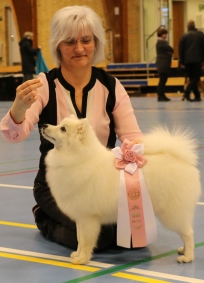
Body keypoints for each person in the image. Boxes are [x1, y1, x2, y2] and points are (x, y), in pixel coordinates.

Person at [0, 6, 143, 252]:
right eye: (69, 42)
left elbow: (133, 137)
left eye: (86, 40)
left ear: (95, 43)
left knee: (132, 237)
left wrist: (137, 156)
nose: (79, 48)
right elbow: (15, 135)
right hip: (57, 184)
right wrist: (19, 108)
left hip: (101, 183)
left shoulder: (112, 86)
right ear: (57, 45)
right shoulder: (44, 84)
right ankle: (44, 216)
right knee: (96, 238)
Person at [179, 20, 204, 101]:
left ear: (187, 27)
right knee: (196, 78)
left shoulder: (184, 36)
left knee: (192, 78)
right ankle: (187, 93)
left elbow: (181, 50)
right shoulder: (200, 35)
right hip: (198, 60)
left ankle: (197, 96)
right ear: (194, 25)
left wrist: (182, 62)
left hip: (187, 61)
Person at [155, 27, 174, 102]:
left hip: (163, 63)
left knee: (163, 80)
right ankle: (160, 95)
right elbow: (170, 49)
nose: (166, 35)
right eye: (164, 34)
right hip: (163, 63)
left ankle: (162, 95)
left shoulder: (161, 42)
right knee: (162, 80)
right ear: (161, 34)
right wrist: (169, 53)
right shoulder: (161, 42)